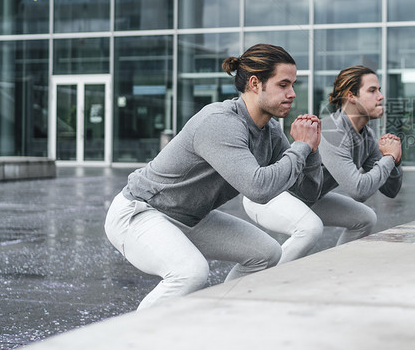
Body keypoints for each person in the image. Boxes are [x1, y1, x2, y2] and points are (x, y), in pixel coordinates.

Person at [104, 43, 322, 310]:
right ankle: (132, 340)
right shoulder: (221, 122)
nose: (292, 94)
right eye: (283, 85)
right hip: (140, 213)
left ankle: (220, 319)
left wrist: (311, 150)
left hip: (191, 216)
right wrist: (300, 147)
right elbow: (258, 188)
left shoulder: (270, 131)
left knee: (266, 254)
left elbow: (307, 194)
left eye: (293, 85)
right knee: (190, 272)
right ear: (255, 83)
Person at [242, 65, 402, 264]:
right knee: (309, 228)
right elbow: (358, 189)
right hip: (270, 196)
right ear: (351, 96)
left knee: (365, 218)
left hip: (308, 197)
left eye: (379, 90)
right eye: (372, 90)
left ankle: (339, 269)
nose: (380, 96)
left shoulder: (367, 136)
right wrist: (388, 158)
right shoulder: (331, 131)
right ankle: (265, 278)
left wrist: (395, 160)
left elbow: (390, 189)